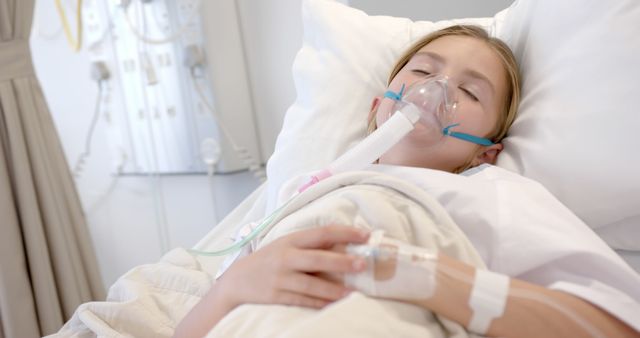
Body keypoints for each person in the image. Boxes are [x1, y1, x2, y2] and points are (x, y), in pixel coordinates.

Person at [174, 25, 638, 338]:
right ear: (380, 103)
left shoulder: (491, 191)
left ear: (487, 149)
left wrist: (422, 275)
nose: (436, 91)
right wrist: (232, 287)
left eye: (471, 91)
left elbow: (615, 324)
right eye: (422, 70)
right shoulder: (298, 193)